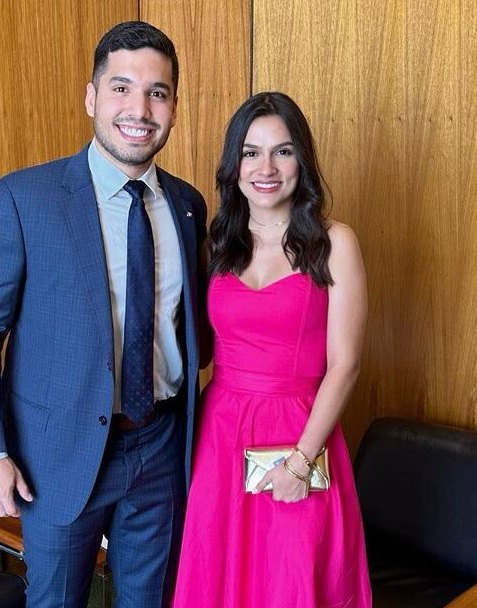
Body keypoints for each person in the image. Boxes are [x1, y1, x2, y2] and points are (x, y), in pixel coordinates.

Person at [0, 21, 209, 608]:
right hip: (57, 455)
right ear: (91, 97)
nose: (139, 109)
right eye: (121, 88)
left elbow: (194, 330)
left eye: (157, 93)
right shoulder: (24, 199)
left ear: (173, 107)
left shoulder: (188, 206)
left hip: (162, 447)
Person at [173, 91, 372, 608]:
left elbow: (345, 364)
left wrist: (302, 462)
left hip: (301, 433)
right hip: (221, 434)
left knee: (292, 580)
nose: (266, 168)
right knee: (218, 577)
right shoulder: (217, 243)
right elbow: (194, 347)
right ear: (233, 164)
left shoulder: (335, 242)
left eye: (282, 151)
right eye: (251, 152)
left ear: (301, 160)